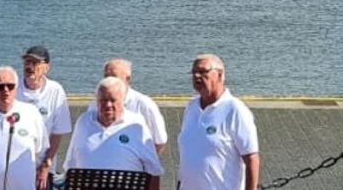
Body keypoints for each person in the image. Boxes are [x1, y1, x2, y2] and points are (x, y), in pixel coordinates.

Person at [63, 77, 163, 189]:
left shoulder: (137, 125)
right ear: (97, 101)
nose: (108, 105)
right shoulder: (84, 121)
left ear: (123, 100)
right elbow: (70, 164)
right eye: (103, 100)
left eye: (113, 100)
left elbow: (153, 170)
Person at [178, 54, 260, 190]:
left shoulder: (235, 110)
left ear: (220, 75)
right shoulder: (191, 107)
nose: (197, 76)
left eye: (203, 72)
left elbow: (252, 159)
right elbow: (187, 159)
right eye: (194, 72)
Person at [17, 46, 69, 183]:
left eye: (35, 63)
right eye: (27, 62)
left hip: (43, 167)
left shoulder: (55, 90)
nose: (29, 66)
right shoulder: (13, 89)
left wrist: (46, 165)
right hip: (15, 167)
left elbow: (58, 133)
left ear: (46, 68)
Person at [103, 58, 168, 156]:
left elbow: (159, 141)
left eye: (114, 77)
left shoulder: (144, 105)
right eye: (106, 77)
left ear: (127, 79)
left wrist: (144, 166)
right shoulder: (96, 105)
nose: (109, 81)